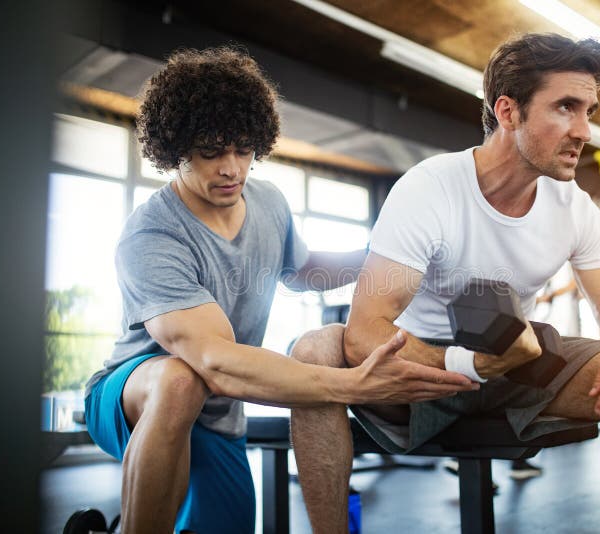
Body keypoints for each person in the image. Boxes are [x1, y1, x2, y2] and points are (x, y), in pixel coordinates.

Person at [290, 33, 600, 533]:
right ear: (508, 111)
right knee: (315, 349)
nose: (584, 130)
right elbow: (365, 333)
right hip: (417, 374)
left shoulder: (575, 208)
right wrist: (467, 364)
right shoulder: (430, 189)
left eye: (589, 112)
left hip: (516, 365)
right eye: (566, 107)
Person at [82, 46, 477, 534]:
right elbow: (214, 361)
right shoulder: (153, 234)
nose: (232, 168)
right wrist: (351, 385)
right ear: (176, 149)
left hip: (217, 413)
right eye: (211, 152)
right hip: (133, 394)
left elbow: (304, 270)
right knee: (180, 380)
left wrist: (389, 253)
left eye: (243, 150)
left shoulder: (267, 202)